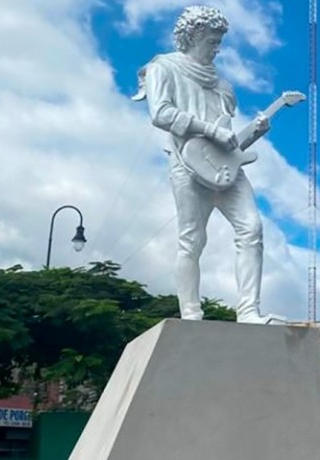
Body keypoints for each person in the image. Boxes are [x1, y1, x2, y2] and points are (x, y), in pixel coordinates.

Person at [132, 5, 284, 325]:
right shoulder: (164, 68)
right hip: (187, 166)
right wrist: (209, 129)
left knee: (252, 229)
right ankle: (191, 314)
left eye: (219, 41)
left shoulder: (224, 87)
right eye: (212, 41)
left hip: (228, 172)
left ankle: (248, 311)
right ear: (193, 36)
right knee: (192, 240)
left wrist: (255, 133)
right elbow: (160, 113)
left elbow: (230, 146)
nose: (217, 48)